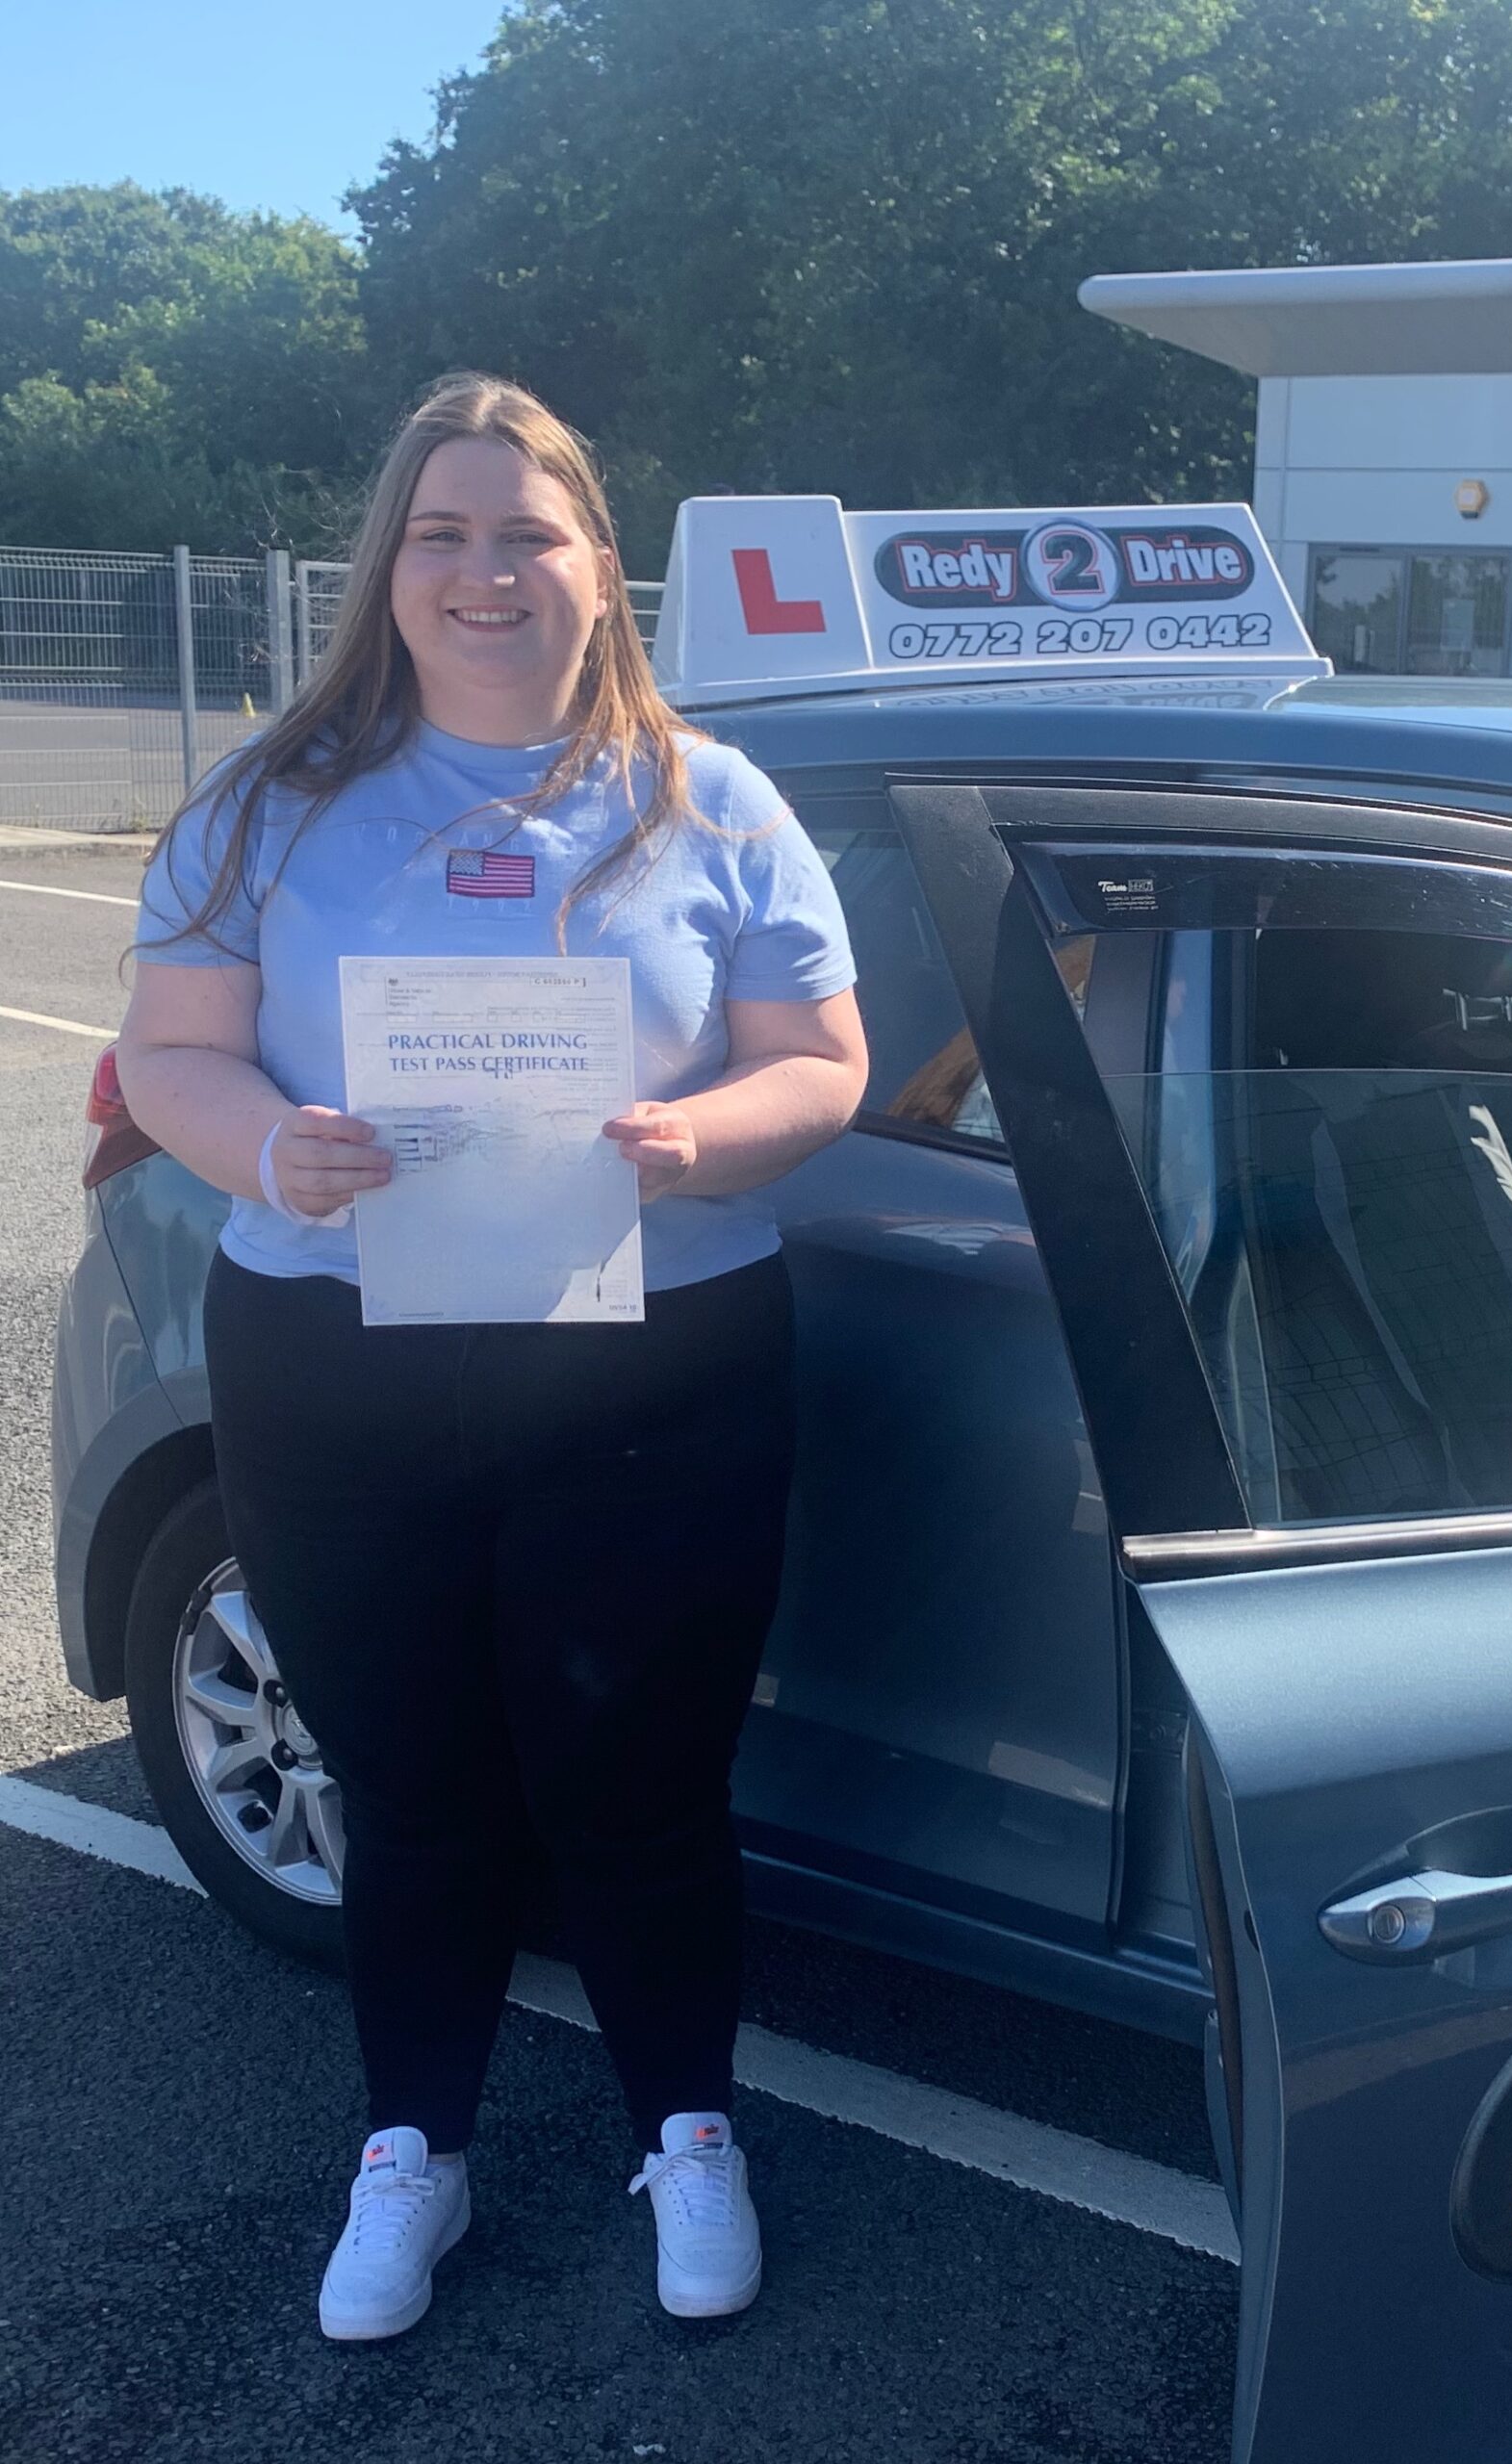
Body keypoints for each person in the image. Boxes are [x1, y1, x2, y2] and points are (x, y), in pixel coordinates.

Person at [115, 373, 871, 2342]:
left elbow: (828, 1059)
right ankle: (411, 2147)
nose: (482, 569)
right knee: (415, 1781)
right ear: (387, 569)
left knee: (642, 1782)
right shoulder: (269, 798)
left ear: (597, 570)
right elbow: (175, 1053)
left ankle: (686, 2124)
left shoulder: (715, 801)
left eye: (524, 533)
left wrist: (712, 1136)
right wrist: (268, 1143)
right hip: (337, 1351)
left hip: (657, 1362)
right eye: (440, 534)